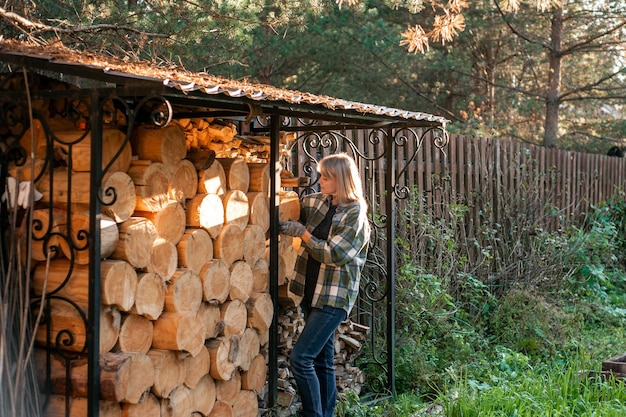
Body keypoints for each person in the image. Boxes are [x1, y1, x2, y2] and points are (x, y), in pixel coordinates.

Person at [278, 153, 371, 417]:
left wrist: (303, 233)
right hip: (311, 291)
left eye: (325, 178)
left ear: (340, 181)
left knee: (301, 358)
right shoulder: (319, 202)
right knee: (322, 360)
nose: (319, 181)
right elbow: (291, 206)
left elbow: (334, 255)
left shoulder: (356, 216)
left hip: (333, 298)